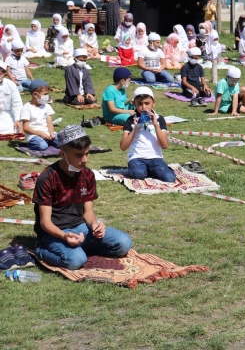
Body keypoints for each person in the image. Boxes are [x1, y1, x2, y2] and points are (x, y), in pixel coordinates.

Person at [32, 124, 132, 270]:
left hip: (81, 228)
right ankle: (41, 249)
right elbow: (45, 223)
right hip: (54, 231)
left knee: (124, 243)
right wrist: (64, 236)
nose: (85, 160)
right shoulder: (47, 177)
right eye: (78, 155)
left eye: (87, 153)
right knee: (76, 261)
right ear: (62, 154)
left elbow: (88, 212)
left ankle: (80, 249)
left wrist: (95, 225)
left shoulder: (88, 175)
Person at [119, 87, 175, 182]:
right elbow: (123, 147)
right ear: (134, 103)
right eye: (139, 104)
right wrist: (136, 129)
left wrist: (156, 125)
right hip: (137, 157)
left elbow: (164, 145)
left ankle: (152, 169)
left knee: (169, 178)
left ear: (153, 103)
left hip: (155, 157)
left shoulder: (159, 119)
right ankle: (144, 169)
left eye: (147, 103)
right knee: (138, 173)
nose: (144, 107)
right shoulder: (130, 120)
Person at [21, 80, 58, 151]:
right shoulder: (26, 108)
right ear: (35, 94)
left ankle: (48, 141)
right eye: (45, 94)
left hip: (47, 134)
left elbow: (49, 123)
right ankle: (32, 144)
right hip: (34, 135)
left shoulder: (47, 106)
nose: (47, 96)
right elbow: (26, 128)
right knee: (42, 146)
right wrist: (40, 134)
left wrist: (52, 134)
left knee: (63, 142)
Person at [0, 61, 23, 135]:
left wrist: (17, 119)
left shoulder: (10, 84)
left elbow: (17, 103)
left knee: (17, 127)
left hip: (6, 114)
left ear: (4, 75)